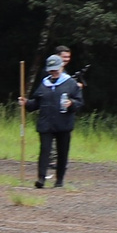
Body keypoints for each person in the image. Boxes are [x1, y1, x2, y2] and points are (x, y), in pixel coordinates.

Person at [29, 47, 82, 188]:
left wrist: (71, 103)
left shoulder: (70, 83)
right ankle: (41, 179)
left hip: (63, 123)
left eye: (55, 69)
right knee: (44, 150)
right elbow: (36, 103)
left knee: (62, 152)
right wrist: (25, 103)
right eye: (51, 69)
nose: (53, 72)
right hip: (46, 122)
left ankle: (59, 180)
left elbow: (79, 103)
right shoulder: (44, 83)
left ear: (60, 67)